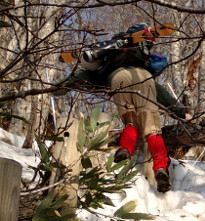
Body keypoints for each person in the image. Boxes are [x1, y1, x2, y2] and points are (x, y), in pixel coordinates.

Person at [55, 23, 192, 193]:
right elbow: (162, 93)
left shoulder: (103, 65)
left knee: (130, 122)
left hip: (118, 79)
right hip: (144, 78)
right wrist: (182, 112)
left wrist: (57, 88)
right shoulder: (142, 63)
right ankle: (160, 168)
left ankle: (125, 149)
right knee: (152, 131)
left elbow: (78, 77)